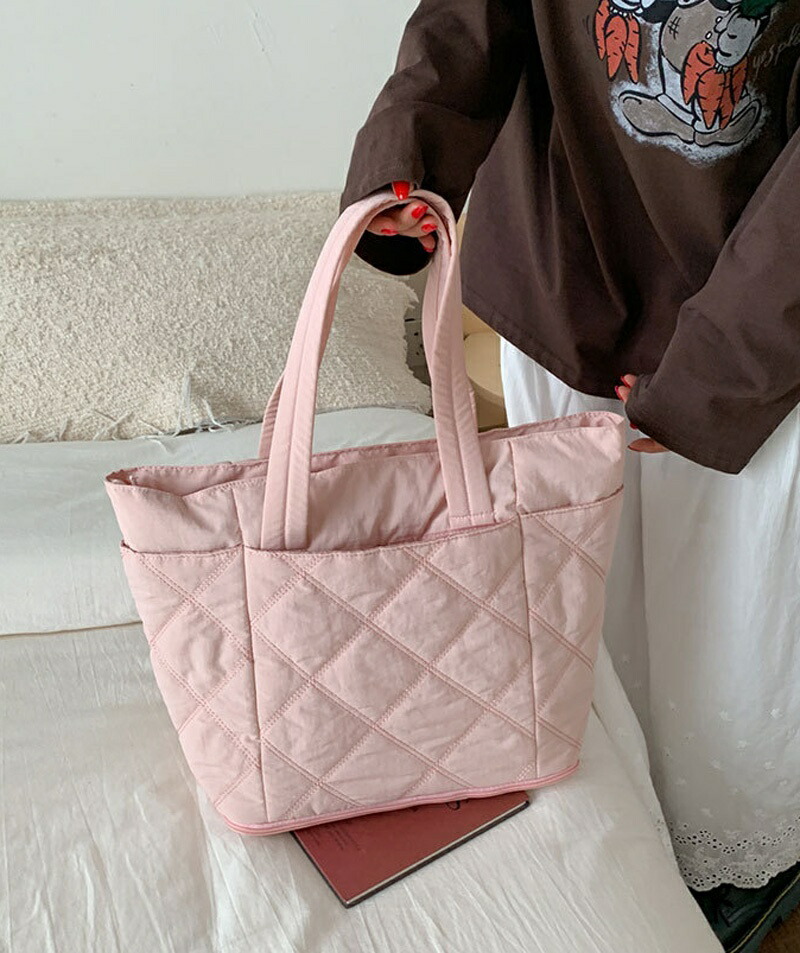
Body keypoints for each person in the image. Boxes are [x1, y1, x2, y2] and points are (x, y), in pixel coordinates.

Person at [338, 1, 800, 950]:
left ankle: (737, 852)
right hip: (565, 260)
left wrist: (718, 370)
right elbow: (472, 18)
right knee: (573, 593)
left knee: (738, 608)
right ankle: (602, 834)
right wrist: (406, 165)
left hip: (766, 299)